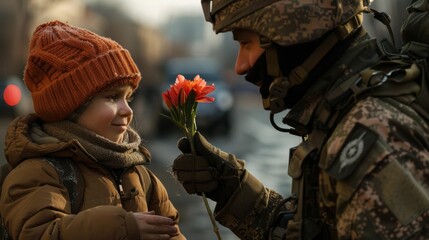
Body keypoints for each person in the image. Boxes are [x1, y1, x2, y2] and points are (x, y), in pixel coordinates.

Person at [172, 0, 429, 239]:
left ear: (290, 33)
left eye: (246, 43)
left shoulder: (369, 139)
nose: (240, 66)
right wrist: (235, 193)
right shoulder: (342, 114)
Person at [0, 20, 186, 240]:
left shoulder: (139, 175)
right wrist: (120, 228)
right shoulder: (38, 173)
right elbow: (40, 233)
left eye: (128, 98)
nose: (127, 110)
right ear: (72, 106)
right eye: (112, 97)